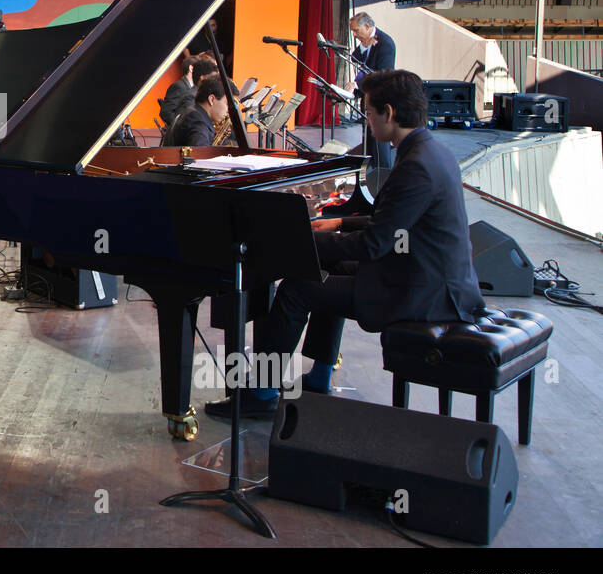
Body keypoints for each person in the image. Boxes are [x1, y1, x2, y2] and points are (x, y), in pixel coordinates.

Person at [205, 69, 486, 419]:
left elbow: (374, 244)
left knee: (297, 288)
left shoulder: (416, 165)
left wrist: (305, 242)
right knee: (326, 269)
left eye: (369, 113)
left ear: (389, 113)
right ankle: (320, 376)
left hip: (423, 292)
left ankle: (261, 393)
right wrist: (338, 222)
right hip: (425, 275)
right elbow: (395, 222)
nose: (367, 122)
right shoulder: (431, 151)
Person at [349, 11, 398, 172]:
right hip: (368, 100)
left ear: (367, 26)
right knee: (370, 142)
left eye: (356, 30)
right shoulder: (367, 42)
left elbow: (383, 74)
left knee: (380, 145)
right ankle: (371, 176)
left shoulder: (386, 43)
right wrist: (364, 46)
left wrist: (357, 85)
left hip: (380, 100)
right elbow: (354, 58)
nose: (354, 35)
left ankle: (383, 177)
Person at [159, 54, 220, 145]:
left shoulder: (193, 95)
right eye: (213, 79)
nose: (216, 83)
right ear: (203, 79)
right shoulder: (190, 97)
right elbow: (167, 113)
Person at [171, 76, 229, 148]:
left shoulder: (195, 114)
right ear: (212, 99)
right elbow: (201, 155)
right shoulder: (197, 121)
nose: (228, 110)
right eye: (227, 104)